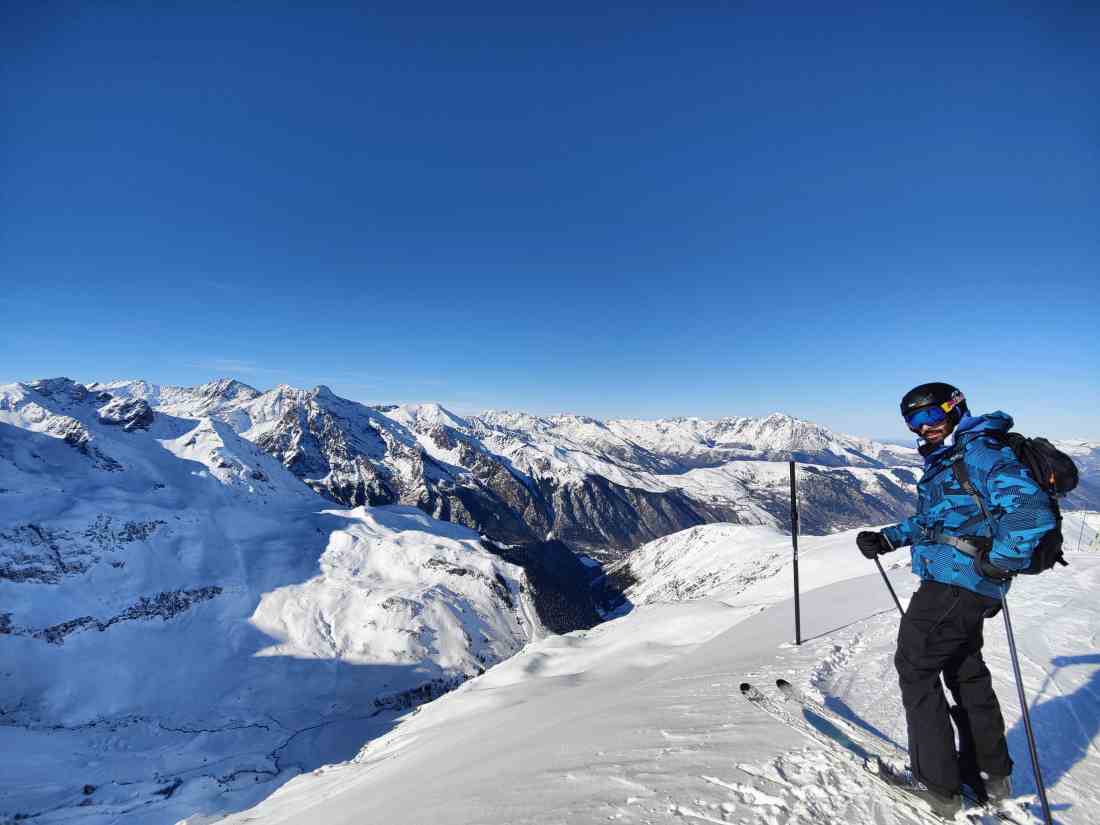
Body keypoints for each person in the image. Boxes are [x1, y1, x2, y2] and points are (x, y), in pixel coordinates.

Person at [856, 382, 1056, 817]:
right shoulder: (956, 455)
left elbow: (1031, 512)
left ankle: (936, 785)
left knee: (915, 665)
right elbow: (938, 518)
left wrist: (1001, 561)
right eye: (913, 421)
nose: (924, 427)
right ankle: (989, 778)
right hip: (966, 585)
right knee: (966, 673)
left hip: (954, 584)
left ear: (956, 407)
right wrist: (888, 538)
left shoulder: (979, 452)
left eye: (932, 416)